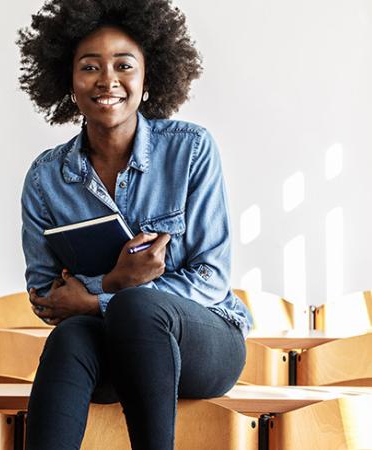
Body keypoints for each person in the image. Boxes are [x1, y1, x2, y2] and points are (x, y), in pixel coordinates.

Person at [16, 0, 253, 449]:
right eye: (90, 67)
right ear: (69, 82)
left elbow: (211, 277)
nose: (107, 80)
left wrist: (100, 299)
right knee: (70, 338)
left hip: (204, 343)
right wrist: (114, 281)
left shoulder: (191, 150)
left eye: (124, 65)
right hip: (110, 351)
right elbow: (47, 298)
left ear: (148, 81)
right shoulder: (46, 178)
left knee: (134, 307)